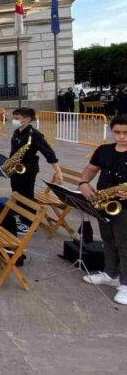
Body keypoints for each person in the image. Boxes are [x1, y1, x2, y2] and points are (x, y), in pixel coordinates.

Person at [79, 115, 127, 305]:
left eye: (126, 133)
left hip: (125, 207)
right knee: (108, 239)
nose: (121, 136)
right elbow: (91, 169)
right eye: (117, 132)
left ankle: (126, 283)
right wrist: (84, 183)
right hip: (104, 204)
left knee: (124, 244)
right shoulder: (104, 150)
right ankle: (111, 274)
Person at [9, 107, 63, 233]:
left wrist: (58, 172)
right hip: (15, 168)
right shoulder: (17, 132)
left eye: (17, 118)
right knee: (17, 193)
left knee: (27, 195)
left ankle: (29, 223)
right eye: (14, 118)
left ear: (27, 119)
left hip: (28, 168)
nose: (14, 120)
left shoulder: (35, 135)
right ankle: (22, 217)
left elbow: (49, 153)